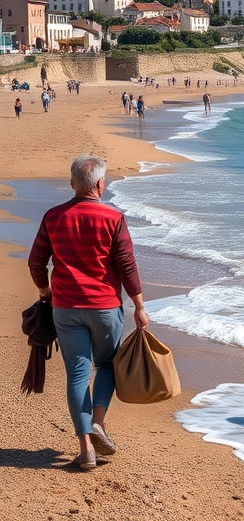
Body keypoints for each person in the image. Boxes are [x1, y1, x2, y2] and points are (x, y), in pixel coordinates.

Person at [27, 155, 150, 470]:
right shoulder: (113, 218)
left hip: (65, 308)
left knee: (77, 374)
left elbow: (36, 262)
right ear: (100, 184)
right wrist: (139, 305)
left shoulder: (54, 217)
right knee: (106, 366)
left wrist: (45, 291)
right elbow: (126, 265)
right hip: (105, 307)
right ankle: (98, 421)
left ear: (72, 184)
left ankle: (87, 450)